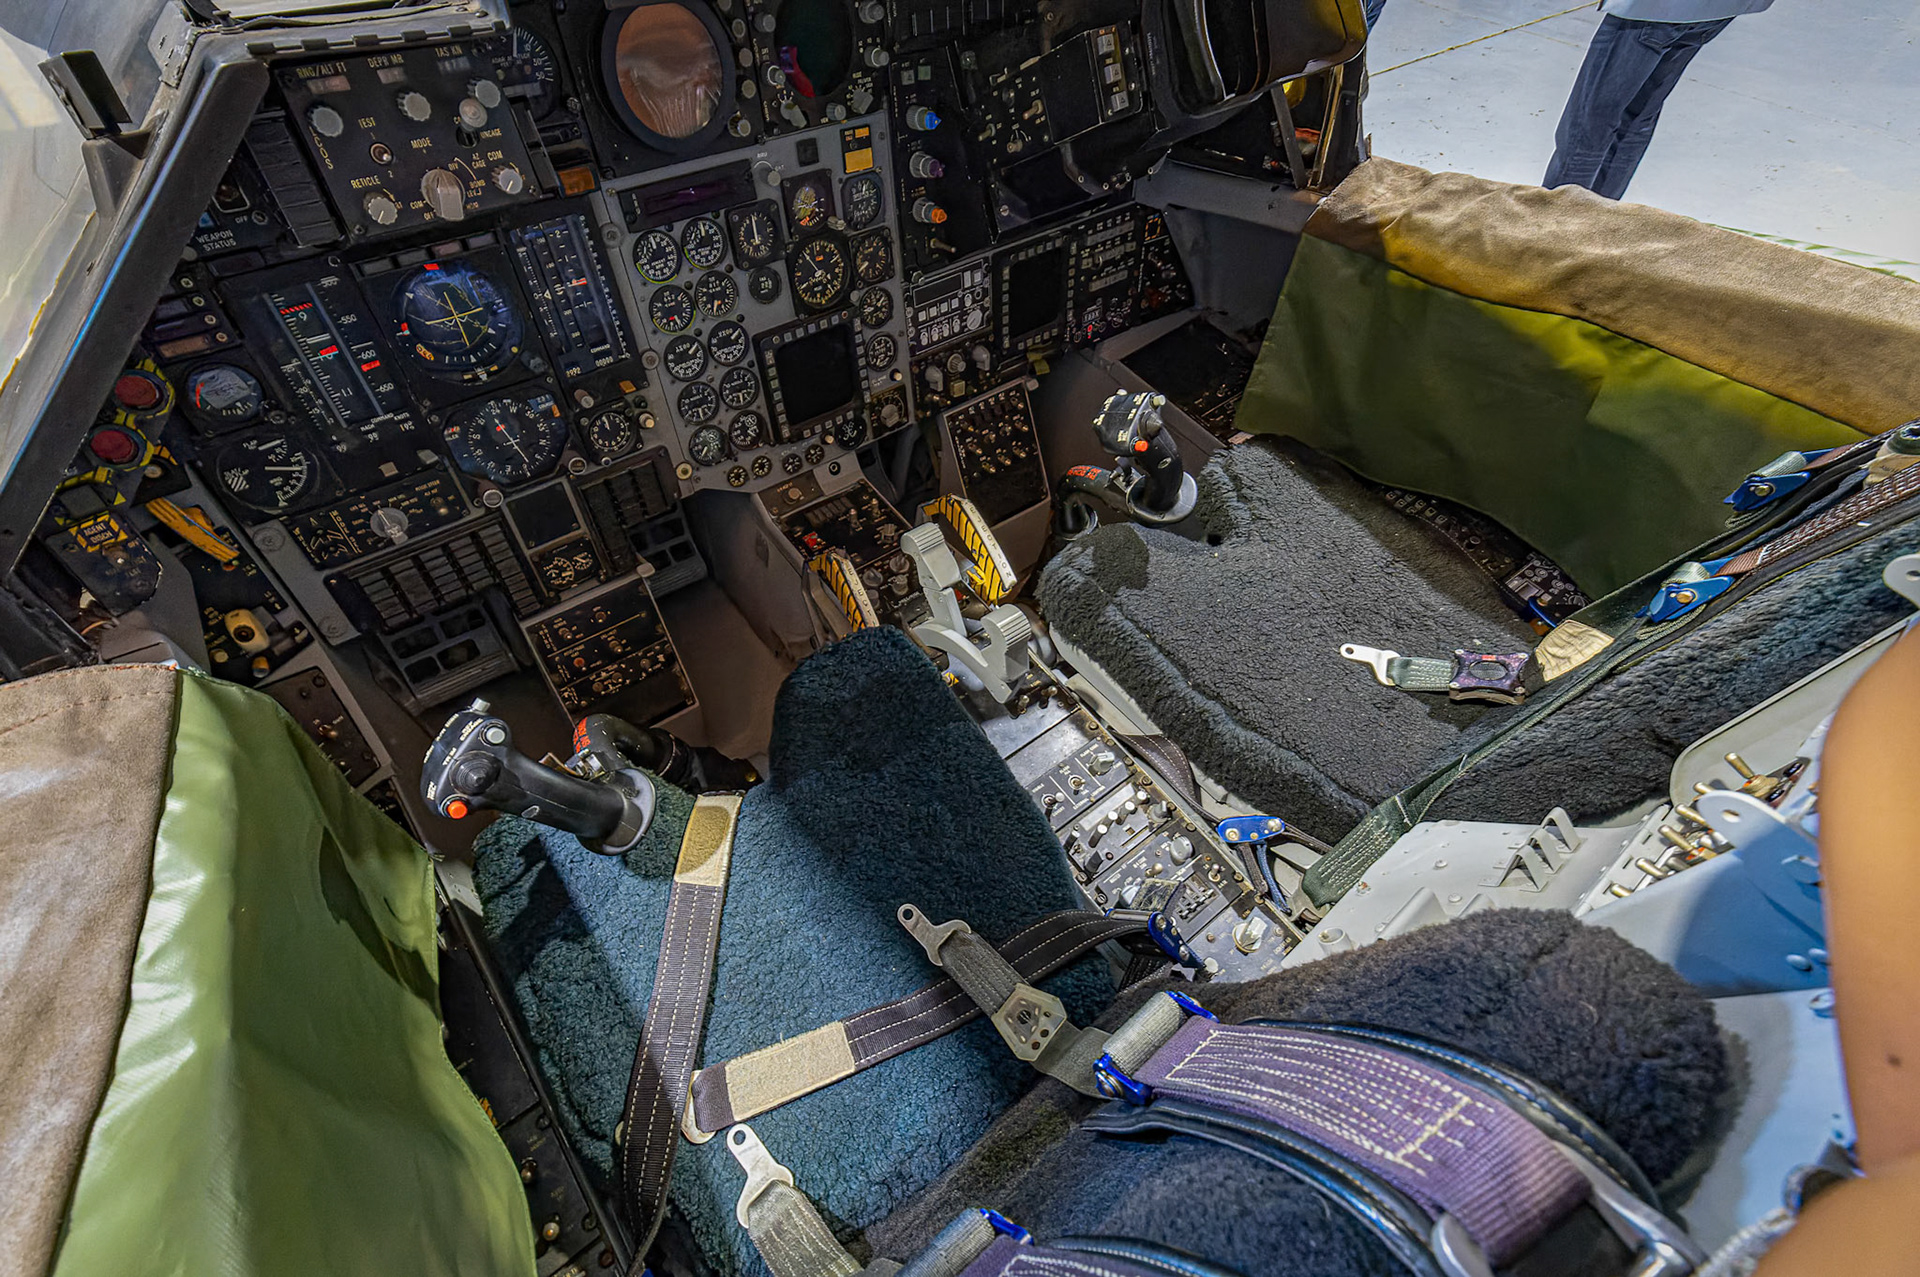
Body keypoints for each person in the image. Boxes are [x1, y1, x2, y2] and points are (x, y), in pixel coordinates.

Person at [1543, 0, 1773, 199]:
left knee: (1592, 119)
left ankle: (1555, 229)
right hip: (1720, 10)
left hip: (1654, 10)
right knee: (1637, 117)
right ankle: (1597, 225)